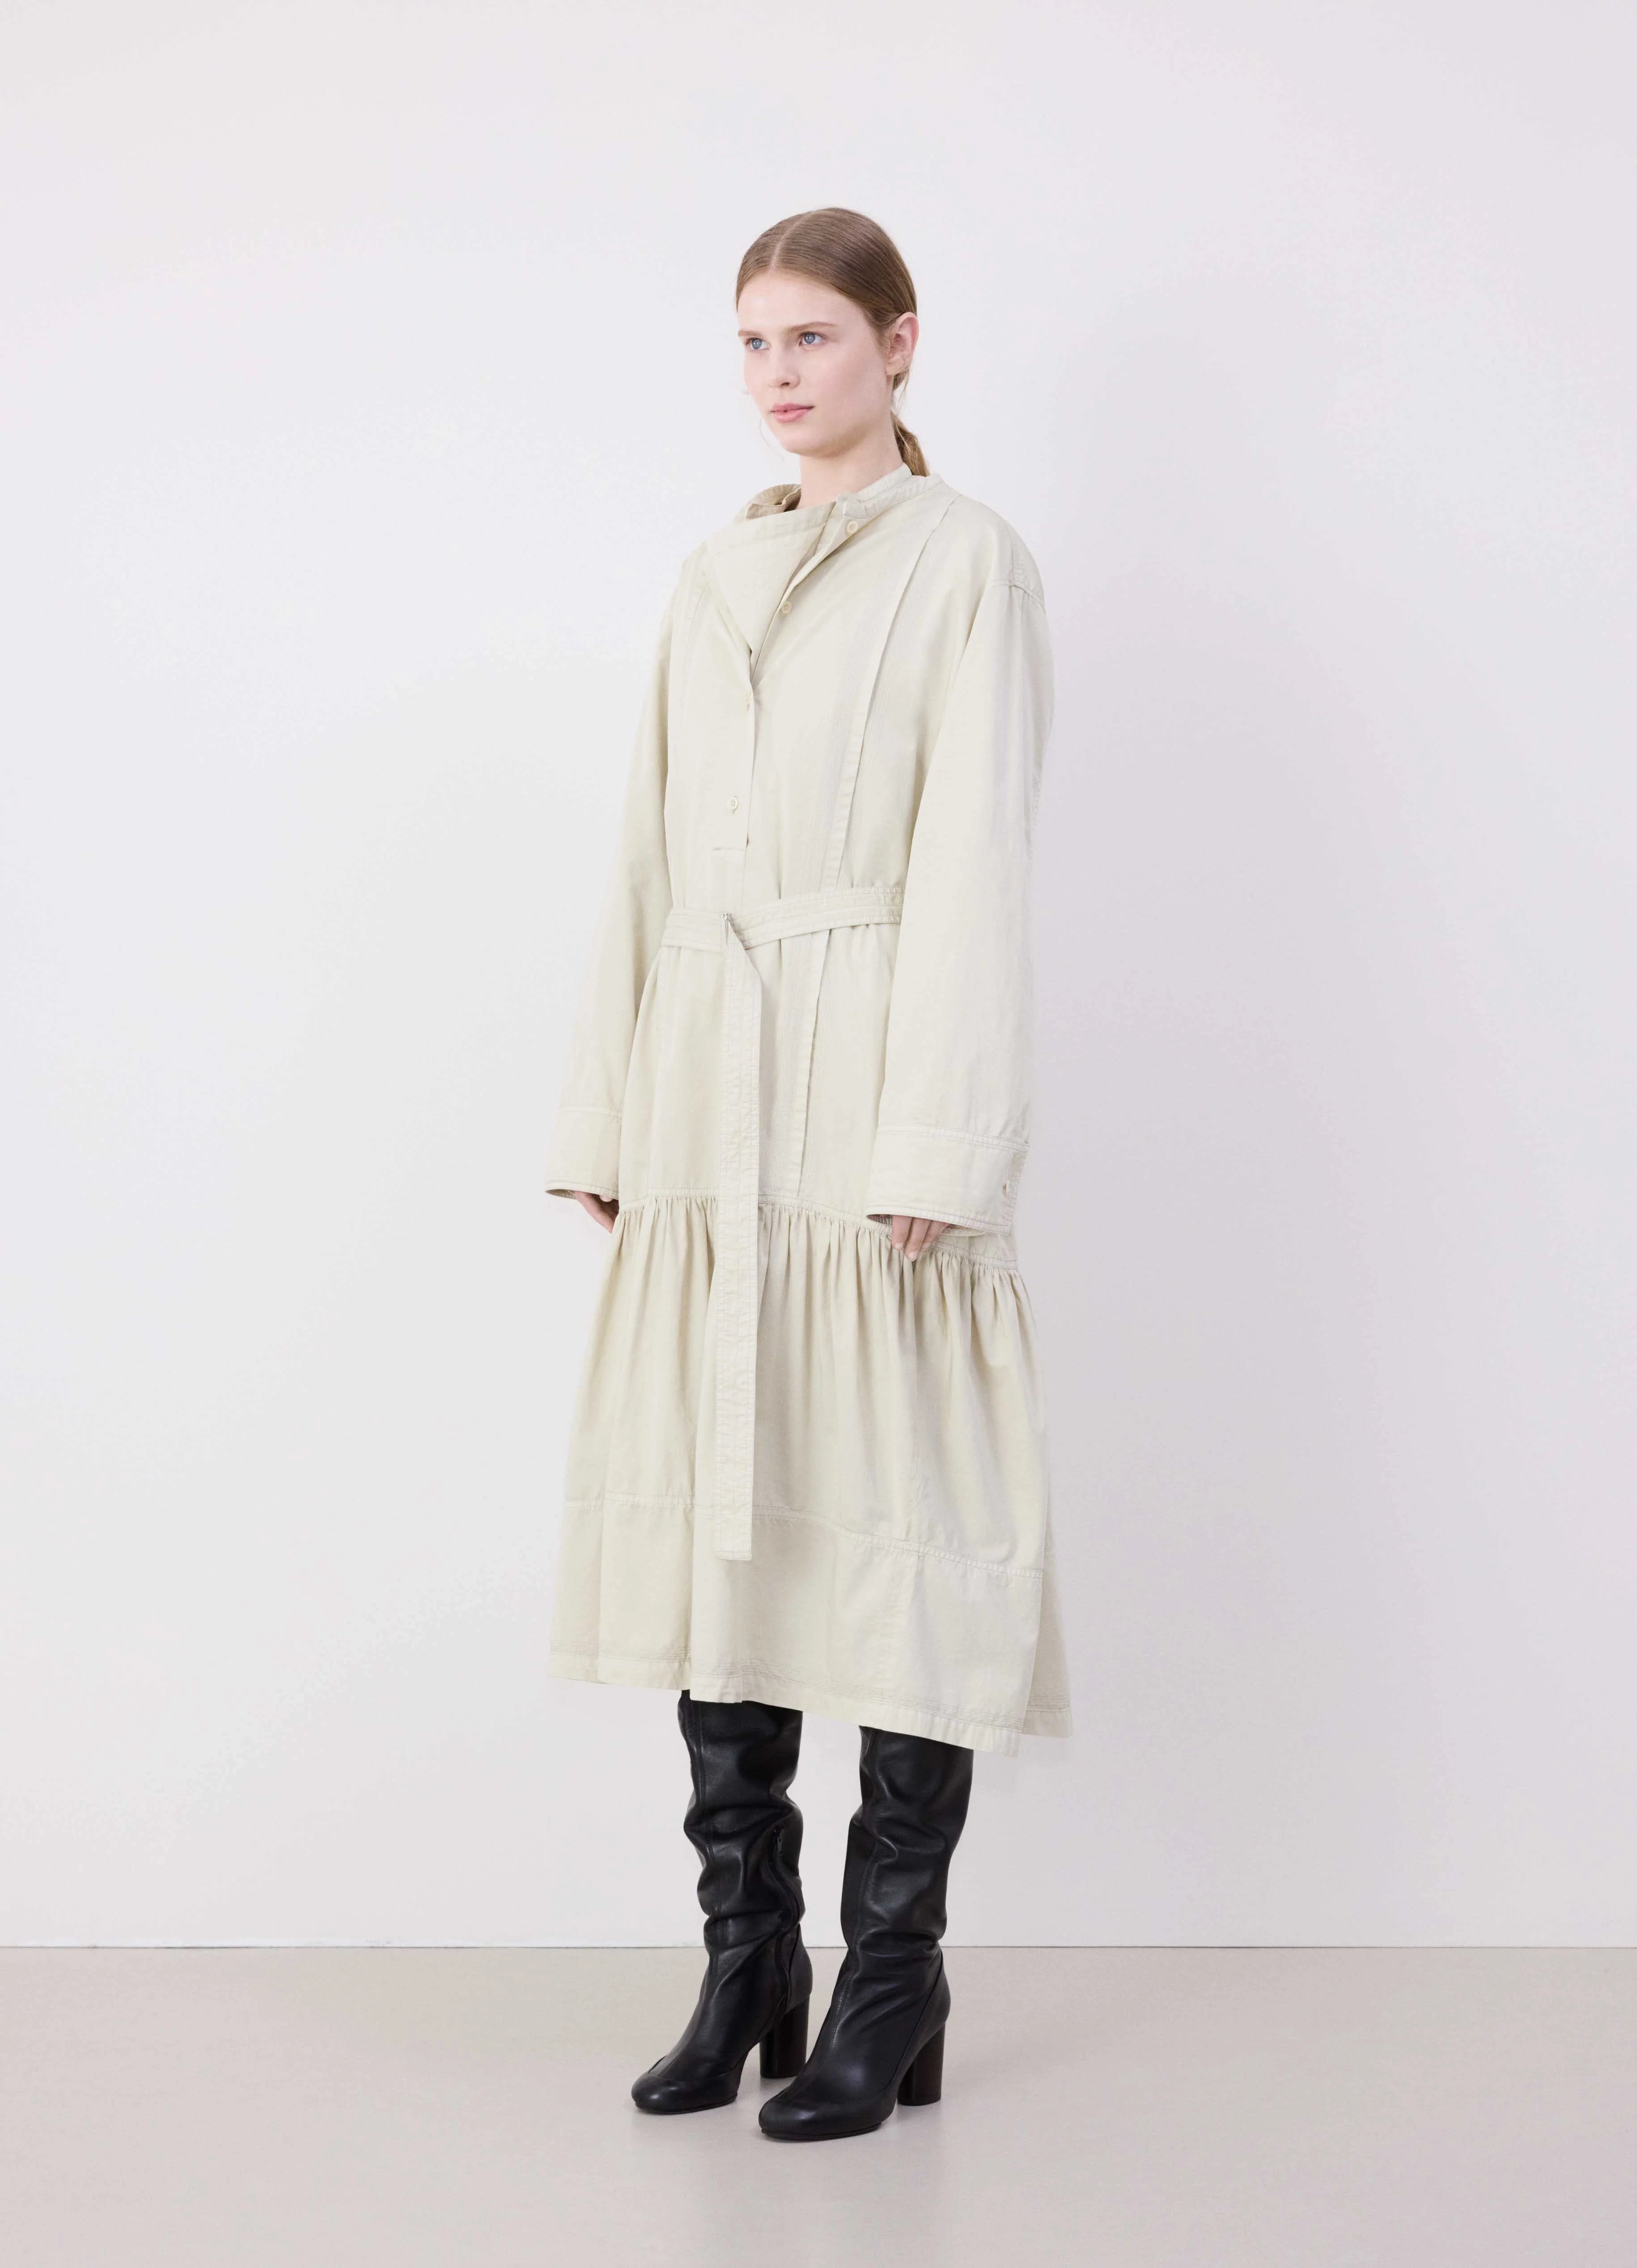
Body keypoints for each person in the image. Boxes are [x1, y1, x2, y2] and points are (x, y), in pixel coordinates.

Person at [543, 207, 1071, 2142]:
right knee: (727, 1522)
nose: (780, 373)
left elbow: (974, 856)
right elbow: (646, 844)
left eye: (815, 338)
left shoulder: (965, 561)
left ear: (898, 344)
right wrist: (609, 1111)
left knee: (905, 1525)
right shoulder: (711, 576)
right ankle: (747, 1958)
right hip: (709, 1090)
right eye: (755, 340)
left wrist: (939, 1135)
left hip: (866, 1090)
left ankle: (894, 1975)